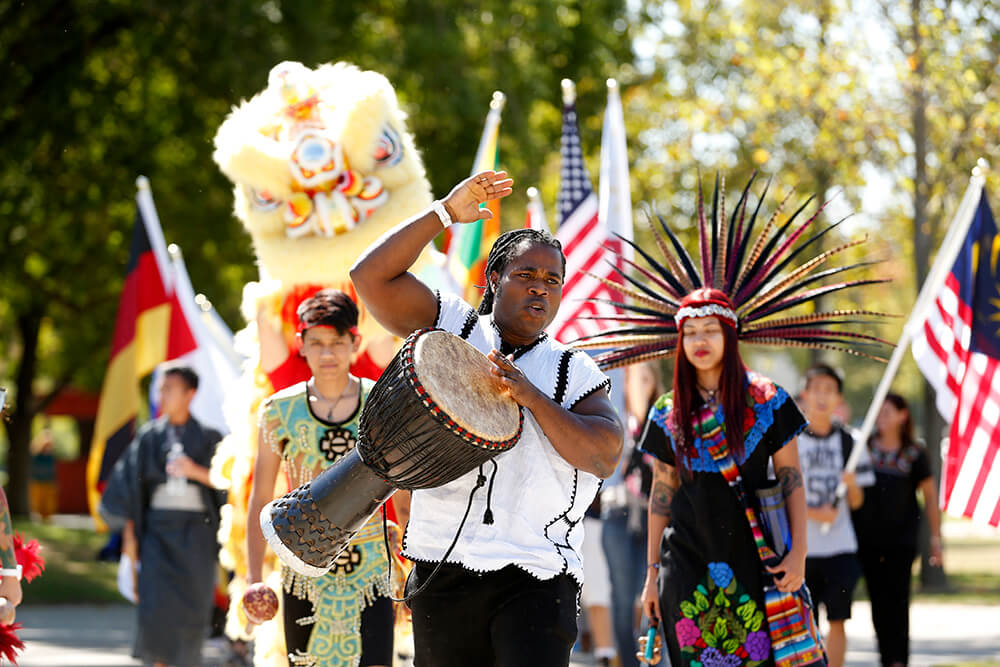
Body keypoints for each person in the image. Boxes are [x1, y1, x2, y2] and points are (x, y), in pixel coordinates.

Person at [349, 170, 623, 667]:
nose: (540, 290)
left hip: (536, 575)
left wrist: (532, 398)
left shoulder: (572, 369)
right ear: (495, 279)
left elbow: (604, 454)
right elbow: (369, 276)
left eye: (552, 281)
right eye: (526, 276)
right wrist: (445, 213)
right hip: (442, 567)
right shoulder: (452, 326)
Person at [637, 289, 810, 666]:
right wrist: (651, 576)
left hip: (756, 564)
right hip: (684, 564)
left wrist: (799, 553)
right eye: (691, 332)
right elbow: (661, 497)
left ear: (729, 337)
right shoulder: (667, 411)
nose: (700, 340)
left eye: (710, 330)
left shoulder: (768, 400)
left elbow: (792, 480)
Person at [245, 289, 405, 667]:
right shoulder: (277, 411)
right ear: (301, 345)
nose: (327, 353)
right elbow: (261, 495)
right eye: (316, 343)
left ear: (356, 342)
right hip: (301, 565)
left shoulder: (382, 403)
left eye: (337, 342)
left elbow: (405, 492)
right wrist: (254, 576)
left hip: (373, 569)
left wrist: (416, 567)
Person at [99, 364, 224, 667]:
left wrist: (195, 471)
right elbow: (129, 489)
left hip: (197, 534)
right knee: (155, 612)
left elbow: (230, 481)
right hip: (157, 533)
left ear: (190, 394)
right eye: (161, 389)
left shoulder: (210, 437)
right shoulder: (148, 438)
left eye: (169, 389)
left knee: (193, 612)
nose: (161, 395)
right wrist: (129, 538)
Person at [852, 393, 942, 667]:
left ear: (903, 416)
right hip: (867, 541)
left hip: (901, 543)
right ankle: (885, 658)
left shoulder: (915, 453)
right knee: (878, 603)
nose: (882, 416)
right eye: (879, 411)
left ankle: (898, 661)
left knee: (898, 602)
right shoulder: (863, 449)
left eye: (888, 411)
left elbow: (930, 498)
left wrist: (936, 540)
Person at [797, 364, 874, 667]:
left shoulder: (851, 443)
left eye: (829, 390)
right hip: (802, 551)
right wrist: (816, 513)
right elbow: (779, 494)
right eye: (816, 389)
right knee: (806, 624)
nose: (822, 396)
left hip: (841, 548)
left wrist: (852, 487)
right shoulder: (790, 442)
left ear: (838, 398)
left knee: (839, 621)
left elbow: (857, 502)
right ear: (805, 394)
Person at [601, 361, 664, 667]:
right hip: (618, 514)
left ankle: (651, 660)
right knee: (624, 597)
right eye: (633, 378)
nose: (639, 384)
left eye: (645, 378)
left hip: (654, 519)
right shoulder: (612, 415)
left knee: (651, 593)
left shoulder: (664, 421)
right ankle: (627, 661)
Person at [30, 424, 59, 522]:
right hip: (38, 481)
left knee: (49, 503)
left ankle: (47, 518)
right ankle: (40, 518)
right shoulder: (37, 456)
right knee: (38, 502)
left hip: (49, 482)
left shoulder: (51, 456)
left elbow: (54, 471)